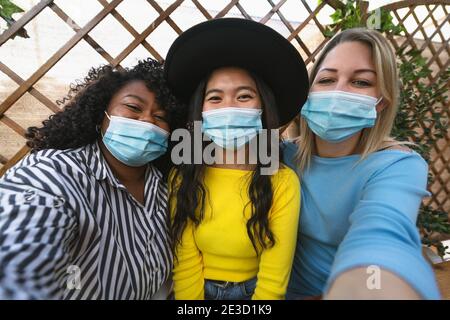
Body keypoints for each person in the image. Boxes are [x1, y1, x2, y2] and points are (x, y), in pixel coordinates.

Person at [0, 58, 185, 299]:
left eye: (161, 117)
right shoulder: (53, 173)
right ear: (101, 114)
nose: (148, 120)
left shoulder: (165, 187)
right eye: (133, 107)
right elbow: (17, 271)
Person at [283, 28, 440, 299]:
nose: (338, 91)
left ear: (381, 102)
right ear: (308, 93)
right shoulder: (282, 155)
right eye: (327, 79)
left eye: (361, 82)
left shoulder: (398, 166)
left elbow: (382, 235)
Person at [164, 18, 309, 300]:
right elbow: (185, 259)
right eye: (215, 98)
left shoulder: (282, 181)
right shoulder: (183, 176)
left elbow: (274, 277)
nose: (228, 107)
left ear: (263, 109)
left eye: (244, 96)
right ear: (201, 112)